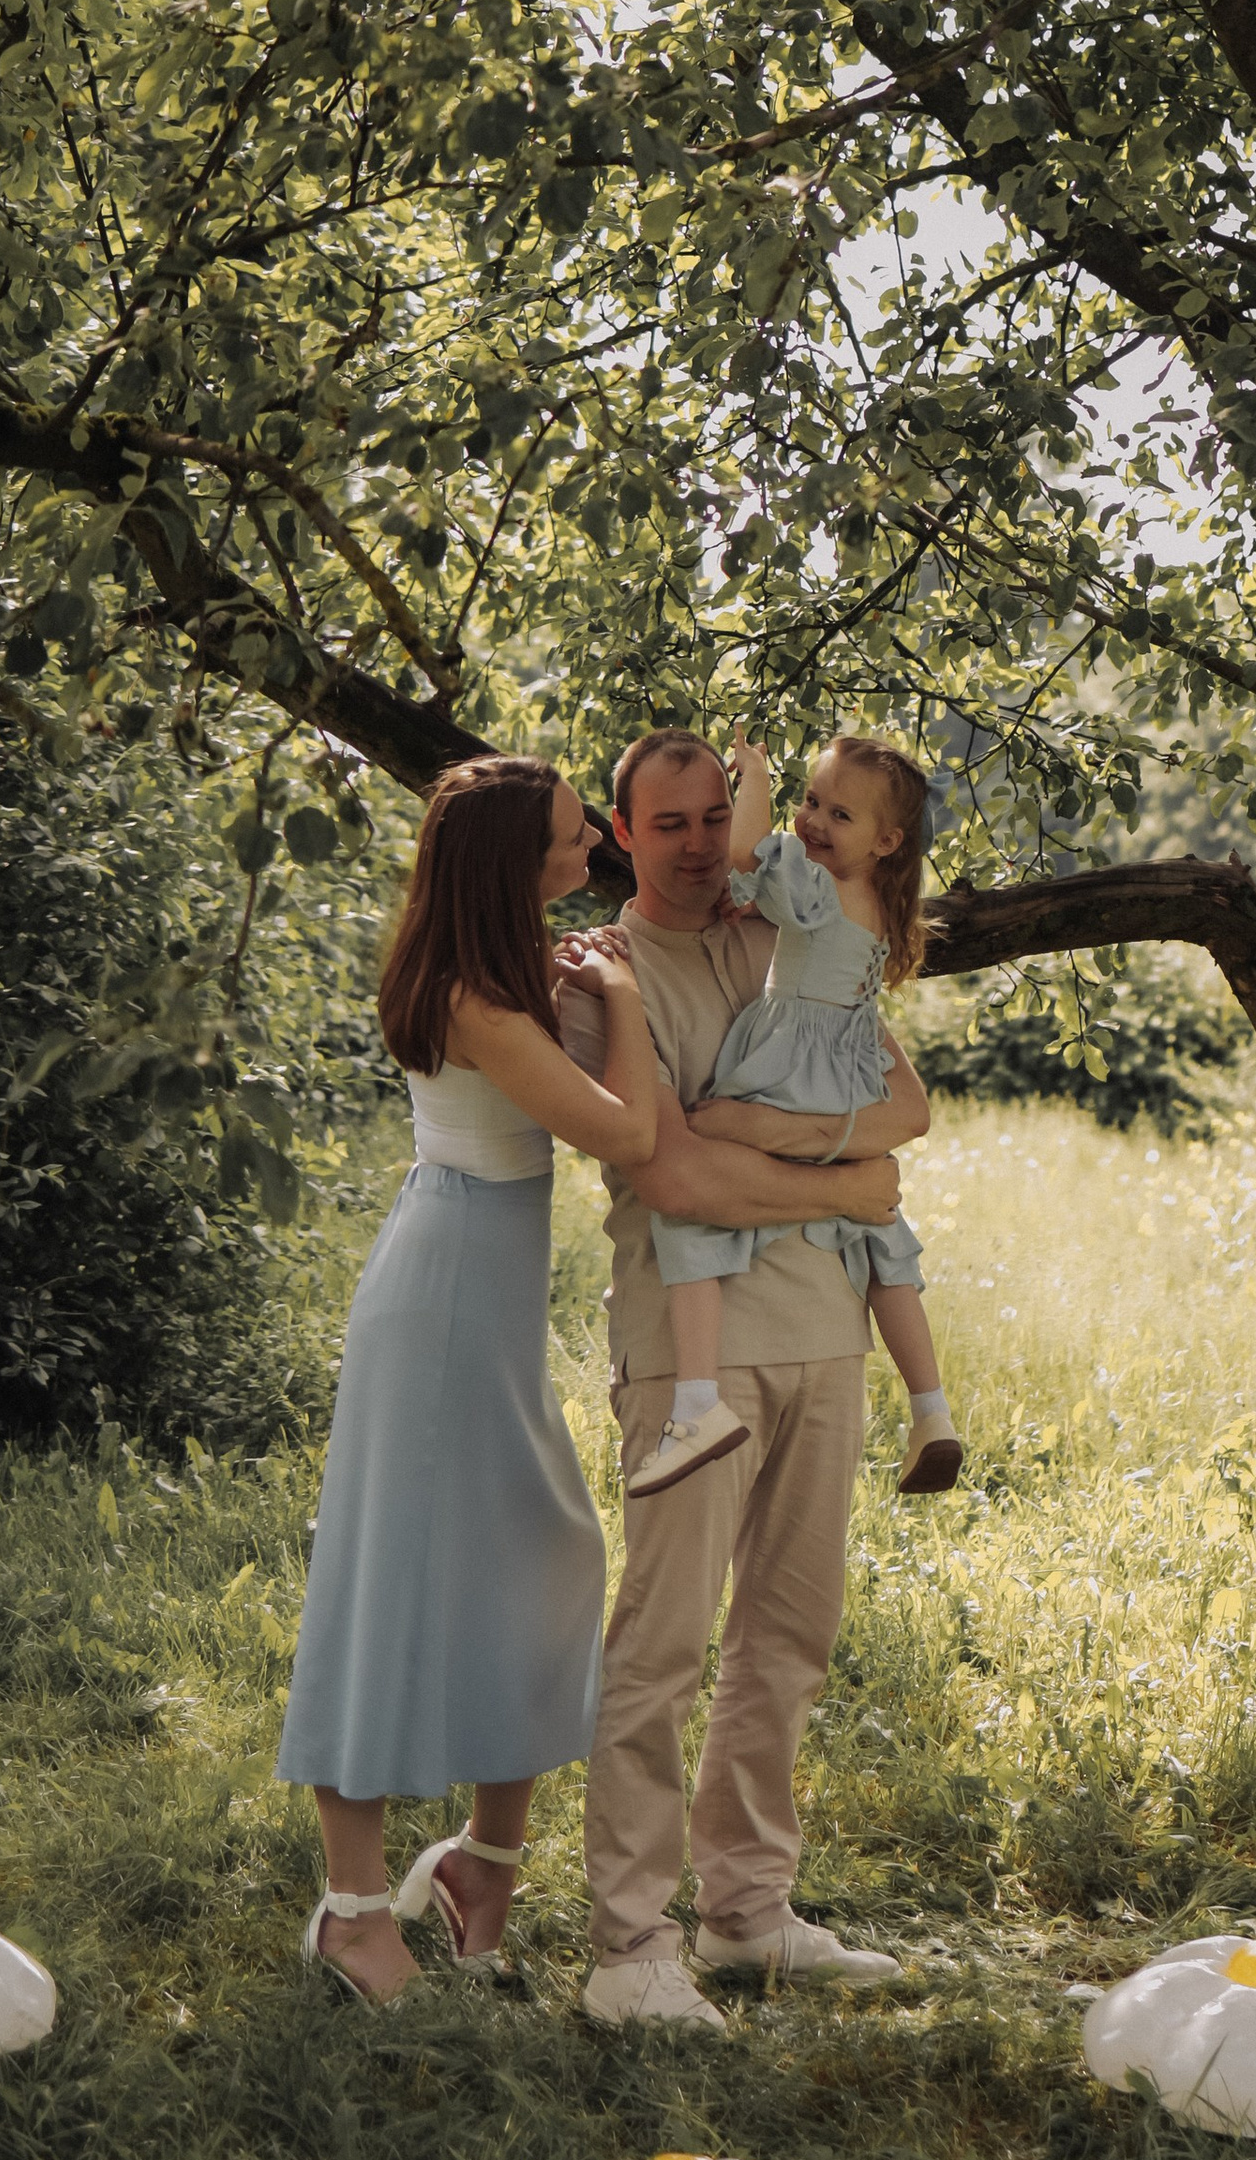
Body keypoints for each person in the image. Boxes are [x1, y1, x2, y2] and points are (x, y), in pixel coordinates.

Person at [557, 725, 932, 2031]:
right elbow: (671, 1175)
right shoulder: (604, 975)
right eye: (672, 826)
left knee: (786, 1640)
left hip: (826, 1333)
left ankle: (747, 1917)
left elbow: (906, 1112)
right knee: (661, 1651)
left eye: (719, 814)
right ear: (625, 836)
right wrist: (839, 1173)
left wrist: (808, 1148)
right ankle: (626, 1948)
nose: (706, 843)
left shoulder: (791, 921)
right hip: (687, 1360)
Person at [278, 754, 659, 2006]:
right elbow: (624, 1134)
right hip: (439, 1303)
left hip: (475, 1297)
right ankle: (350, 1910)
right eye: (566, 836)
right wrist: (630, 1001)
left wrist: (582, 980)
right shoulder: (474, 1003)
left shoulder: (501, 980)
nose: (590, 844)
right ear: (510, 864)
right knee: (392, 1587)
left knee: (543, 1555)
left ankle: (483, 1867)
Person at [631, 733, 959, 1504]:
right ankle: (931, 1407)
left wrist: (757, 779)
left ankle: (697, 1404)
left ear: (885, 840)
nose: (811, 822)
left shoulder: (813, 890)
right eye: (811, 801)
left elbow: (747, 849)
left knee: (693, 1208)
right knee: (881, 1234)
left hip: (790, 1063)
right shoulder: (877, 901)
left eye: (836, 813)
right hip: (848, 1073)